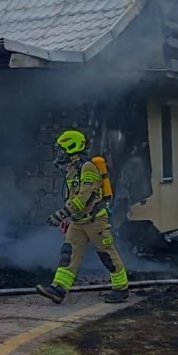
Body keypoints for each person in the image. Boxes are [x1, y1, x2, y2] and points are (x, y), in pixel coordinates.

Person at [36, 129, 130, 305]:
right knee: (68, 254)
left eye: (61, 150)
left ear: (71, 147)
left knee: (106, 254)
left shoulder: (88, 168)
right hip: (78, 221)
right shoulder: (72, 169)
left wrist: (62, 213)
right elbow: (72, 197)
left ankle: (121, 289)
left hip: (95, 220)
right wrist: (68, 217)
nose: (59, 154)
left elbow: (84, 196)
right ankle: (59, 289)